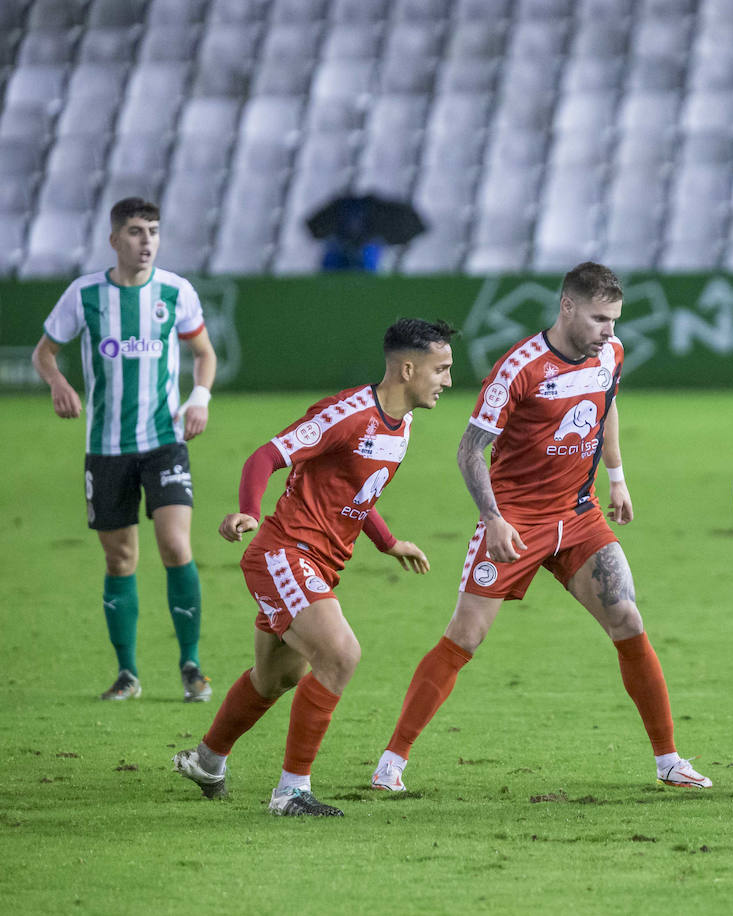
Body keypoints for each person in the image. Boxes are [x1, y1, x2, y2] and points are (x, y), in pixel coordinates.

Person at [370, 262, 711, 793]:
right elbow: (469, 452)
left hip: (579, 515)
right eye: (600, 318)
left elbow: (607, 405)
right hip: (516, 523)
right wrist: (493, 519)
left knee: (628, 620)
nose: (610, 331)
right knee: (466, 636)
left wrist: (616, 477)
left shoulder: (611, 354)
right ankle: (391, 762)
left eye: (616, 319)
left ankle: (669, 761)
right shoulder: (518, 369)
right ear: (567, 307)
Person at [173, 319, 453, 816]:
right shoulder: (346, 414)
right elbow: (267, 455)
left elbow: (355, 495)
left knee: (274, 678)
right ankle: (291, 791)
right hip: (284, 554)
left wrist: (389, 543)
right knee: (341, 654)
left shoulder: (402, 425)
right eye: (441, 369)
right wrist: (249, 512)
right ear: (408, 368)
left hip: (319, 564)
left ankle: (207, 760)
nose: (447, 380)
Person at [31, 197, 218, 702]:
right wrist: (58, 384)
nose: (147, 241)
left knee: (176, 546)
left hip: (164, 442)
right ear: (115, 240)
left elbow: (203, 353)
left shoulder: (176, 292)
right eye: (136, 232)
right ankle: (128, 674)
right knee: (120, 561)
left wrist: (199, 397)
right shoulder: (85, 294)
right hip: (106, 448)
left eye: (153, 231)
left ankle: (191, 667)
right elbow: (44, 352)